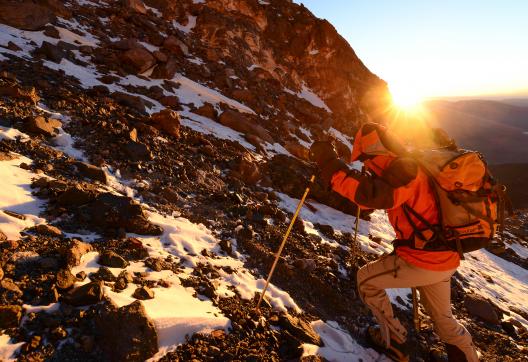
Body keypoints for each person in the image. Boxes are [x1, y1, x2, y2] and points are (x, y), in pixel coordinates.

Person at [309, 123, 479, 362]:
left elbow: (372, 196)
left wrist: (329, 165)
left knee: (366, 281)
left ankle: (394, 342)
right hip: (445, 258)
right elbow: (373, 198)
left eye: (366, 159)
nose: (366, 166)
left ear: (374, 152)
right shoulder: (410, 165)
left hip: (422, 260)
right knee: (443, 319)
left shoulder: (405, 170)